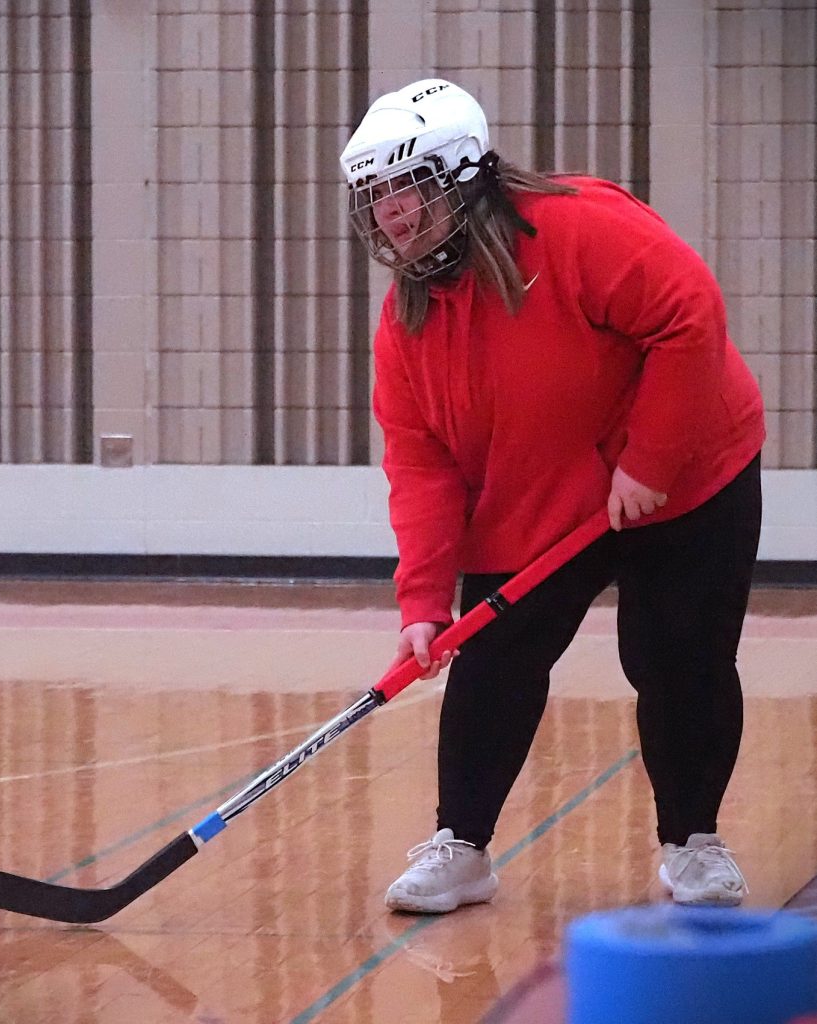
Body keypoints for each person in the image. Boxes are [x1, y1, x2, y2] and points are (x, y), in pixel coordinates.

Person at [339, 79, 765, 914]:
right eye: (375, 195)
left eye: (407, 186)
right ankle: (459, 847)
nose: (391, 213)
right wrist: (422, 603)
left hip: (686, 472)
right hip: (547, 499)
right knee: (495, 659)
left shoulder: (576, 227)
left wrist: (649, 462)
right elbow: (420, 465)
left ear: (465, 175)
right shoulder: (408, 320)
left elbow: (690, 316)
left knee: (677, 658)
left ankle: (693, 846)